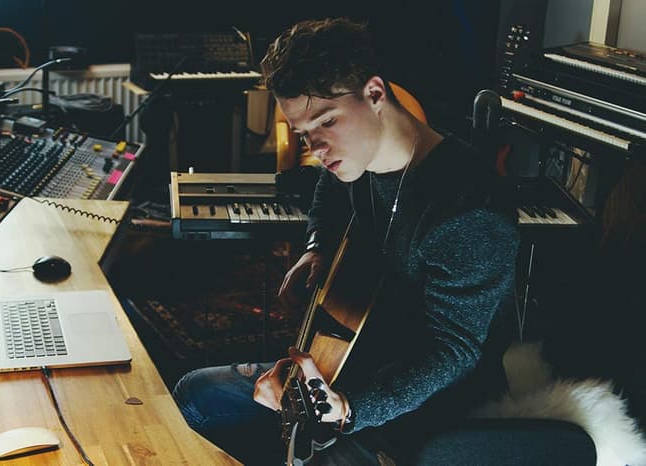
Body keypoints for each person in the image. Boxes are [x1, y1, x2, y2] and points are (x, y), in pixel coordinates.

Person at [173, 17, 520, 465]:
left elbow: (452, 351)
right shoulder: (355, 159)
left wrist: (350, 408)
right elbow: (329, 189)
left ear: (375, 93)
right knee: (195, 394)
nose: (316, 147)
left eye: (327, 122)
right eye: (304, 133)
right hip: (357, 351)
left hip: (425, 398)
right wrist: (317, 245)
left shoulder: (468, 210)